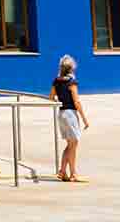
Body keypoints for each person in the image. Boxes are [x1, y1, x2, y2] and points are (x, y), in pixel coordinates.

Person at [49, 55, 91, 183]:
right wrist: (84, 119)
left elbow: (51, 97)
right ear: (71, 69)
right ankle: (73, 174)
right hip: (70, 114)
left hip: (61, 113)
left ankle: (62, 172)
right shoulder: (71, 82)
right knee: (73, 144)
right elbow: (76, 101)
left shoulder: (56, 81)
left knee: (70, 144)